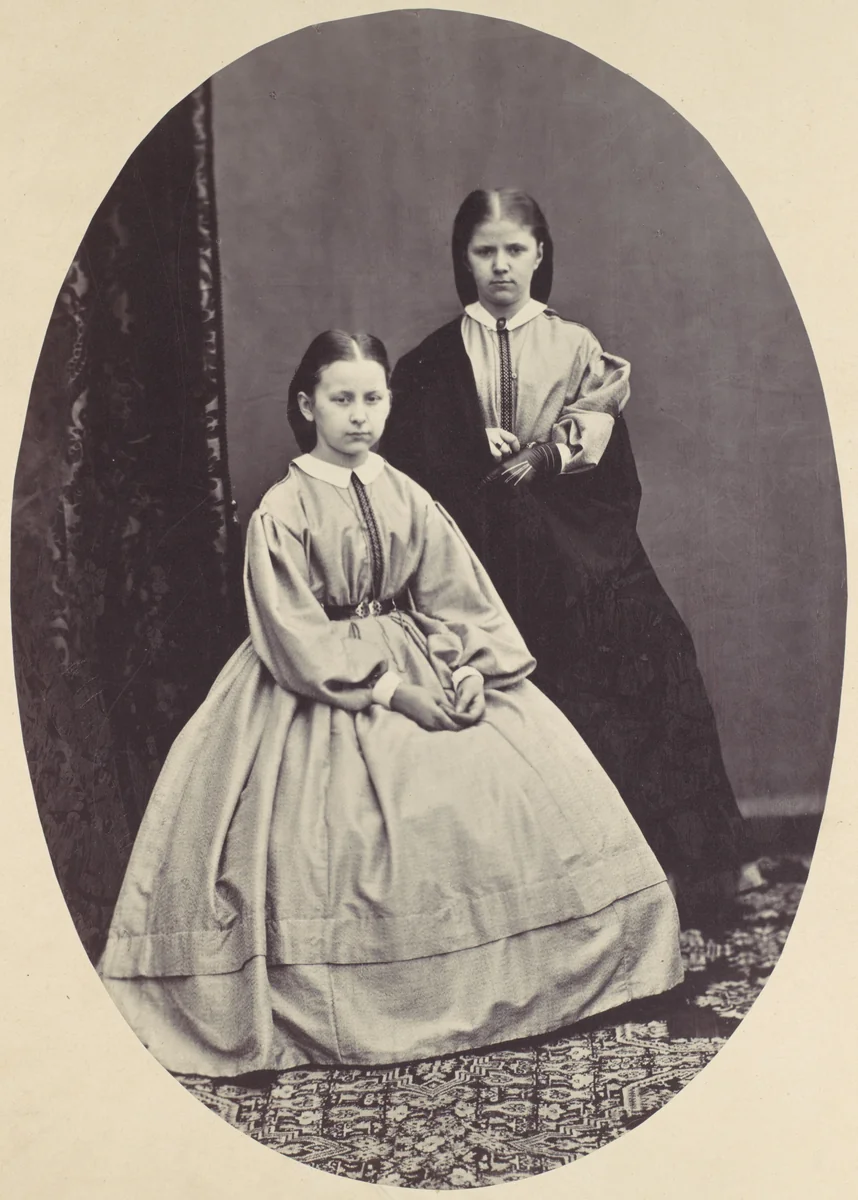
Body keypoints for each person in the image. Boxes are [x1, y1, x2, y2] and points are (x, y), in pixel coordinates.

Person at [98, 329, 682, 1079]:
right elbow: (293, 633)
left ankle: (519, 985)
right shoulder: (282, 509)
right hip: (320, 684)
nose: (360, 415)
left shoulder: (406, 492)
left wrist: (472, 668)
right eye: (341, 399)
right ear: (307, 405)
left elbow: (455, 592)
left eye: (373, 398)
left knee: (498, 796)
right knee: (334, 843)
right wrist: (391, 690)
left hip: (426, 657)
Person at [383, 189, 762, 923]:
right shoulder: (429, 362)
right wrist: (475, 461)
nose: (500, 267)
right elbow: (416, 474)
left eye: (515, 250)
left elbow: (607, 468)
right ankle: (571, 892)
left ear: (541, 253)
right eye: (484, 251)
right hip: (481, 554)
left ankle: (698, 865)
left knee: (655, 654)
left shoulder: (578, 346)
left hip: (580, 547)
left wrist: (546, 458)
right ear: (463, 260)